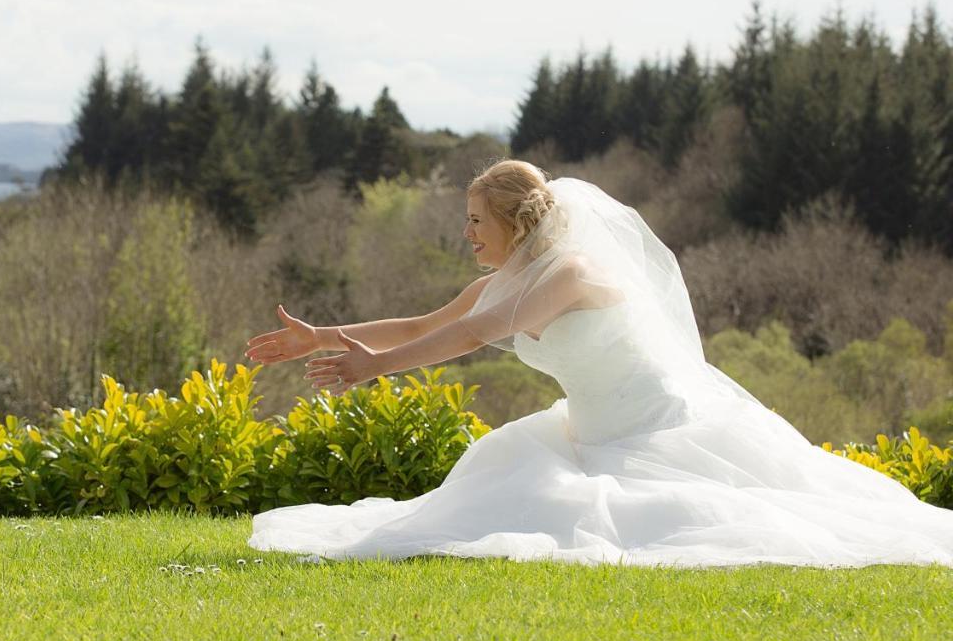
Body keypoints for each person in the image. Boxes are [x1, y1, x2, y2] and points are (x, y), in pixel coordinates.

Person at [245, 160, 953, 567]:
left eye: (475, 221)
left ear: (516, 223)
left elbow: (479, 332)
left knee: (741, 518)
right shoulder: (505, 276)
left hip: (658, 433)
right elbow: (431, 322)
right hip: (586, 430)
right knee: (494, 482)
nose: (464, 233)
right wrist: (325, 336)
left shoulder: (570, 271)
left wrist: (377, 367)